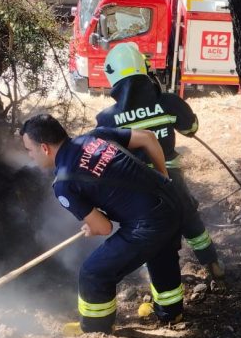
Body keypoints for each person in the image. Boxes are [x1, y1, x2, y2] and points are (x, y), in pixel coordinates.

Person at [20, 114, 185, 335]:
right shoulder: (95, 136)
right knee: (160, 253)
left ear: (44, 148)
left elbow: (104, 228)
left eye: (29, 150)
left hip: (149, 223)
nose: (30, 157)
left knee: (93, 273)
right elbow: (148, 138)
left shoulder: (64, 184)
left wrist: (93, 227)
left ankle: (95, 332)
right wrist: (163, 178)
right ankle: (172, 314)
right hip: (173, 201)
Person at [95, 42, 225, 288]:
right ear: (145, 69)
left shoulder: (106, 118)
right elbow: (191, 129)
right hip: (172, 182)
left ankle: (162, 293)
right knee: (191, 221)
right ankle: (213, 265)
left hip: (138, 192)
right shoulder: (168, 102)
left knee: (156, 240)